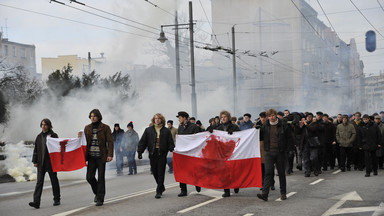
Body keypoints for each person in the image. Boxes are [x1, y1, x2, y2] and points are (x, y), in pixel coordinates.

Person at [257, 108, 292, 201]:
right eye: (269, 116)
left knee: (281, 173)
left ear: (275, 115)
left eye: (272, 115)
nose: (271, 117)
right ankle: (265, 194)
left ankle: (283, 193)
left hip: (280, 152)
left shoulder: (283, 125)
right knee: (268, 173)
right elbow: (260, 137)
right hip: (269, 152)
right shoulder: (265, 126)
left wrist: (288, 150)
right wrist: (256, 130)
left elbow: (289, 138)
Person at [138, 113, 174, 199]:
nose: (157, 120)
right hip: (153, 154)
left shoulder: (166, 131)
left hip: (162, 154)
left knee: (161, 172)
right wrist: (140, 151)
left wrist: (171, 148)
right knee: (154, 171)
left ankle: (158, 191)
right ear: (153, 120)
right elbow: (143, 141)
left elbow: (170, 142)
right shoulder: (148, 130)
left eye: (159, 118)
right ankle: (161, 186)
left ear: (162, 120)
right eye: (156, 118)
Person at [82, 109, 114, 206]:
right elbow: (83, 141)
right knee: (89, 177)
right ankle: (97, 192)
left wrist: (110, 155)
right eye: (91, 116)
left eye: (94, 116)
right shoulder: (87, 128)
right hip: (91, 156)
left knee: (101, 178)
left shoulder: (105, 127)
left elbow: (110, 142)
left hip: (101, 157)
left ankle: (100, 198)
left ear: (98, 117)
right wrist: (79, 136)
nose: (92, 117)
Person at [29, 118, 60, 209]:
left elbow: (58, 148)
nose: (43, 126)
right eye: (42, 124)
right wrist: (34, 161)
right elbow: (36, 150)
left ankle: (57, 199)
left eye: (45, 124)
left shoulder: (53, 136)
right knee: (39, 183)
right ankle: (36, 202)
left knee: (54, 181)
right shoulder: (39, 136)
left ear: (49, 125)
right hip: (40, 164)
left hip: (51, 163)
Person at [176, 111, 202, 197]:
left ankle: (197, 183)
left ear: (184, 118)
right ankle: (183, 190)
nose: (179, 119)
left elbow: (198, 138)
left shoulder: (194, 126)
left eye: (180, 117)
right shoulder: (179, 128)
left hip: (192, 152)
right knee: (182, 171)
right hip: (183, 153)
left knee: (194, 170)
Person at [216, 110, 240, 197]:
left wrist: (233, 134)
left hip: (232, 152)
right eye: (222, 117)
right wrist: (211, 132)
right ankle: (226, 191)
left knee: (234, 171)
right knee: (224, 172)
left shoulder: (234, 127)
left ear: (228, 118)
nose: (223, 119)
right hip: (223, 153)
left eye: (225, 117)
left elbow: (240, 137)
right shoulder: (218, 128)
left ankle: (236, 185)